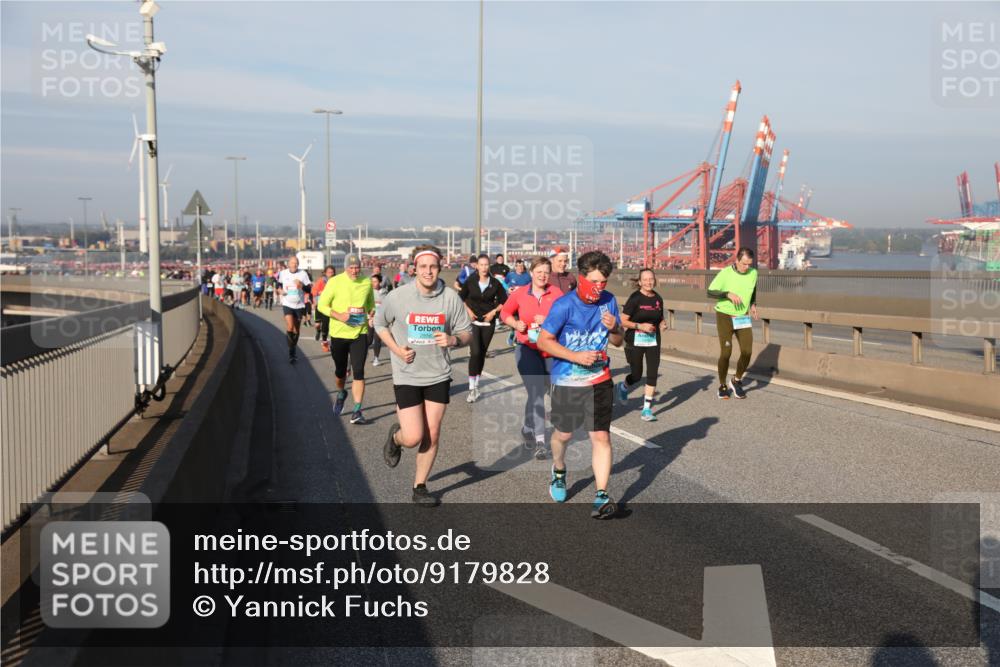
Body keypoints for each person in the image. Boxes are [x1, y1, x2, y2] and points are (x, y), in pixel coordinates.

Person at [374, 245, 473, 506]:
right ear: (414, 269)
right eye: (423, 267)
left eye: (433, 266)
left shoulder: (450, 297)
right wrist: (396, 349)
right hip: (407, 374)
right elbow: (380, 323)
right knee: (414, 436)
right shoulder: (398, 296)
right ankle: (397, 438)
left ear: (440, 268)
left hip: (438, 373)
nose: (428, 271)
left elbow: (467, 332)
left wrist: (453, 340)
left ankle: (420, 487)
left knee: (433, 433)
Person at [536, 250, 623, 519]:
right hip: (567, 380)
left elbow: (619, 342)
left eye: (603, 283)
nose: (598, 288)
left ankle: (601, 495)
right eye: (593, 282)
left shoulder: (609, 302)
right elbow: (543, 341)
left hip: (599, 379)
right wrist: (576, 356)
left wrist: (615, 329)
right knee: (564, 434)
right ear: (581, 278)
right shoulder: (564, 305)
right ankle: (559, 470)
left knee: (601, 436)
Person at [500, 256, 563, 458]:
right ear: (531, 273)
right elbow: (505, 312)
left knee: (546, 389)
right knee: (536, 391)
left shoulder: (557, 293)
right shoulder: (520, 293)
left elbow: (565, 318)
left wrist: (548, 321)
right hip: (527, 348)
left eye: (546, 272)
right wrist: (515, 324)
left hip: (550, 349)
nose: (543, 276)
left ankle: (528, 426)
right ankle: (540, 441)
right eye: (539, 272)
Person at [318, 255, 375, 423]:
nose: (354, 270)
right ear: (345, 268)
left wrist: (371, 313)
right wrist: (339, 316)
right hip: (339, 334)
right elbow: (322, 305)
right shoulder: (335, 282)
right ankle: (342, 392)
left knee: (358, 371)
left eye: (357, 267)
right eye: (351, 267)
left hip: (360, 332)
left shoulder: (366, 282)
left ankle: (357, 411)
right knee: (340, 372)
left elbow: (370, 304)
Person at [616, 268, 668, 421]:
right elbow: (623, 320)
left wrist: (662, 324)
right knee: (637, 375)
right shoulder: (635, 298)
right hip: (635, 340)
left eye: (651, 279)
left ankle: (646, 410)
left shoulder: (658, 298)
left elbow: (659, 317)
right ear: (639, 282)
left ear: (655, 280)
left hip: (653, 340)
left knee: (652, 373)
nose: (648, 282)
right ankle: (624, 386)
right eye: (645, 279)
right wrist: (640, 326)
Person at [707, 247, 759, 399]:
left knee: (747, 351)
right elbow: (710, 291)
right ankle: (722, 385)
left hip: (742, 316)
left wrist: (753, 304)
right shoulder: (725, 273)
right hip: (725, 315)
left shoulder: (753, 273)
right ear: (736, 260)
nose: (746, 267)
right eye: (744, 264)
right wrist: (727, 294)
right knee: (726, 352)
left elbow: (753, 288)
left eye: (749, 264)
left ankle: (736, 380)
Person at [459, 254, 507, 403]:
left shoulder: (495, 283)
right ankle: (471, 388)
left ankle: (477, 385)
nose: (484, 267)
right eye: (482, 264)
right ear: (477, 266)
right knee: (475, 353)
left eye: (487, 265)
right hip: (473, 321)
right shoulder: (471, 281)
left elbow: (504, 301)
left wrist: (493, 313)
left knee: (482, 354)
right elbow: (461, 297)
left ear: (489, 266)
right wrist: (469, 312)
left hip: (488, 322)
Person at [276, 257, 312, 364]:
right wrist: (279, 290)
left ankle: (293, 348)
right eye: (292, 263)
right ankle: (291, 352)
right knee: (290, 326)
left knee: (297, 330)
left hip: (299, 305)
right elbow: (278, 284)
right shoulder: (283, 273)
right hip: (287, 303)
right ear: (288, 264)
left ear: (298, 264)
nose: (294, 265)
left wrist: (301, 286)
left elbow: (309, 289)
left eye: (296, 263)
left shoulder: (303, 274)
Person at [505, 259, 532, 346]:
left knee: (523, 320)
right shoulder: (510, 275)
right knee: (514, 320)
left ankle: (518, 338)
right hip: (513, 301)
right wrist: (507, 289)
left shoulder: (527, 276)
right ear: (515, 267)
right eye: (518, 266)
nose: (520, 268)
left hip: (524, 302)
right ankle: (512, 333)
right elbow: (504, 283)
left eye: (522, 266)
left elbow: (532, 287)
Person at [313, 265, 336, 351]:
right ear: (325, 273)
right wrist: (319, 294)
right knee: (318, 324)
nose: (331, 274)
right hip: (320, 305)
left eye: (332, 272)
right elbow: (314, 291)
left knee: (326, 325)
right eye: (329, 272)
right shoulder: (321, 281)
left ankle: (325, 342)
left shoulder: (336, 281)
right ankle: (318, 330)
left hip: (329, 307)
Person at [368, 273, 389, 365]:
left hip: (380, 319)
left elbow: (387, 306)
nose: (373, 283)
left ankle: (376, 358)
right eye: (372, 281)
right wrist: (370, 315)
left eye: (375, 281)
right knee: (369, 339)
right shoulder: (368, 292)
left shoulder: (385, 292)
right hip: (369, 318)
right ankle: (363, 353)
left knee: (377, 339)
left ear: (380, 282)